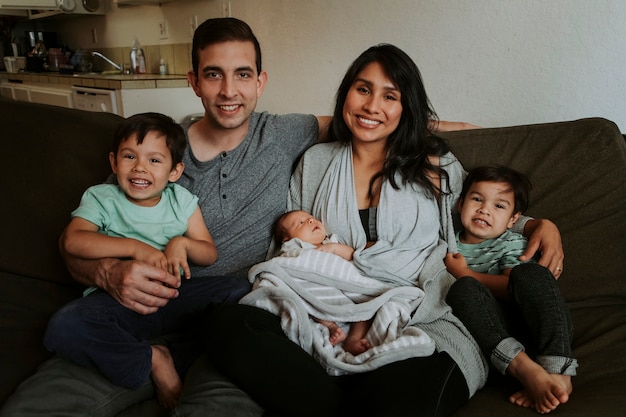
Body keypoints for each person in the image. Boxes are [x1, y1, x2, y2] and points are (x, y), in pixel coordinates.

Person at [0, 18, 564, 417]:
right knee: (37, 404)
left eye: (242, 74)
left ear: (260, 82)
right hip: (162, 310)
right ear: (192, 81)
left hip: (290, 308)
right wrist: (107, 274)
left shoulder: (299, 136)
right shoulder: (155, 154)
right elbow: (82, 238)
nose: (229, 90)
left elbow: (442, 159)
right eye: (213, 75)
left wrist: (538, 221)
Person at [203, 43, 565, 417]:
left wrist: (538, 224)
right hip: (332, 311)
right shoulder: (314, 163)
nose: (372, 106)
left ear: (405, 108)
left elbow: (481, 209)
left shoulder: (434, 163)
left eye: (389, 96)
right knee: (227, 323)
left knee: (389, 400)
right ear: (346, 94)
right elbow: (292, 248)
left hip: (424, 312)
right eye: (363, 89)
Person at [43, 112, 220, 408]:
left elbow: (209, 253)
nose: (140, 168)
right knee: (64, 325)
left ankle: (171, 347)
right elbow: (74, 240)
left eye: (154, 160)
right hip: (117, 301)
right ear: (113, 162)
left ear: (174, 171)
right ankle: (152, 358)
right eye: (129, 156)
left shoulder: (182, 201)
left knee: (240, 292)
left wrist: (181, 243)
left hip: (174, 294)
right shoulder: (102, 198)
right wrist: (135, 248)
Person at [444, 165, 577, 414]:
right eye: (477, 199)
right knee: (462, 290)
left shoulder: (512, 243)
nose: (485, 209)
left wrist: (466, 273)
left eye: (499, 206)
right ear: (460, 204)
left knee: (528, 273)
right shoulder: (449, 242)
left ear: (513, 219)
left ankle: (558, 370)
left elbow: (511, 288)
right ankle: (528, 371)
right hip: (493, 334)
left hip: (534, 325)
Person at [274, 209, 372, 354]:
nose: (311, 220)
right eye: (301, 223)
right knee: (306, 301)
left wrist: (334, 248)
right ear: (287, 239)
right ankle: (331, 326)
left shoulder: (331, 241)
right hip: (316, 291)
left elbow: (352, 256)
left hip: (344, 286)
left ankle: (352, 340)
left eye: (311, 218)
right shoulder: (293, 248)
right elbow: (287, 268)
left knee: (365, 311)